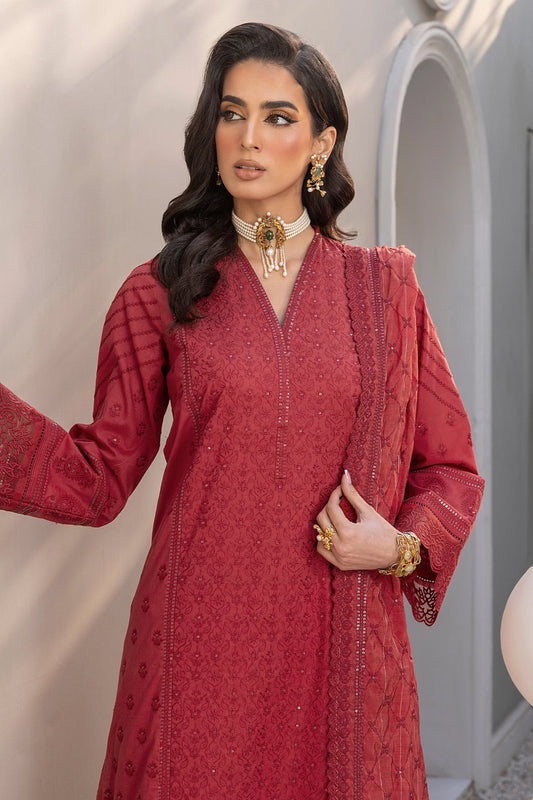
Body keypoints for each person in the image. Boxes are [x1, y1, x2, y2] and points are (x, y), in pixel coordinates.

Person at [0, 21, 484, 800]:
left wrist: (395, 548)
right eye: (232, 113)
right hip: (196, 650)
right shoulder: (158, 292)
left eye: (276, 117)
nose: (248, 137)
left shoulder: (384, 292)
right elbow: (94, 480)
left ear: (320, 143)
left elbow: (451, 467)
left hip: (341, 645)